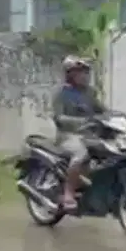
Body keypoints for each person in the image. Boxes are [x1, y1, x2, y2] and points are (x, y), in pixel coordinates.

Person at [52, 54, 104, 210]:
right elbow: (59, 118)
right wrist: (81, 122)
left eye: (86, 72)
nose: (85, 76)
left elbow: (103, 111)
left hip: (89, 135)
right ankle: (68, 193)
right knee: (80, 154)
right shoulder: (61, 93)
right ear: (70, 74)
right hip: (67, 137)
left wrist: (122, 115)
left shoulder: (90, 93)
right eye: (80, 72)